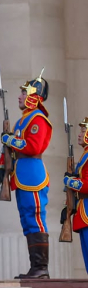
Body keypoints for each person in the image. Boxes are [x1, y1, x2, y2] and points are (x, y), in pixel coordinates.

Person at [0, 72, 53, 279]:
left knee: (35, 217)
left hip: (32, 173)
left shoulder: (38, 119)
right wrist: (1, 166)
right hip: (21, 174)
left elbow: (33, 146)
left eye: (23, 92)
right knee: (27, 219)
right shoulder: (23, 121)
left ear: (34, 95)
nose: (20, 96)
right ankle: (36, 267)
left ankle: (42, 267)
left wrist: (10, 140)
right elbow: (11, 149)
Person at [63, 116, 88, 272]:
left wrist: (70, 181)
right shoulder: (84, 154)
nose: (80, 134)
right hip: (83, 210)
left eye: (83, 130)